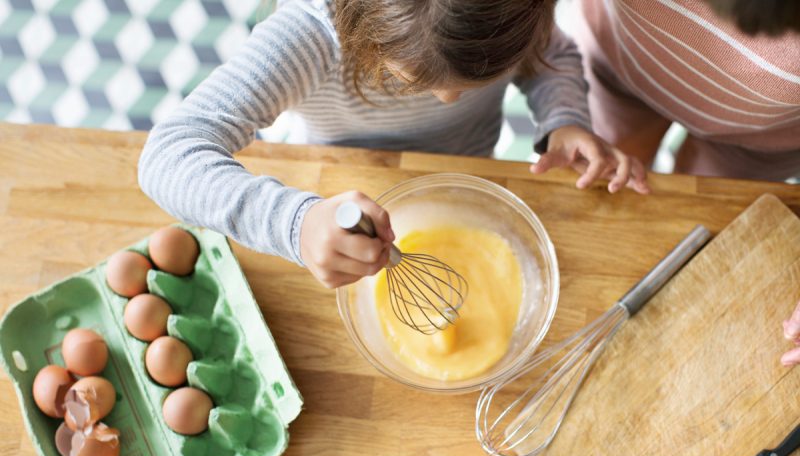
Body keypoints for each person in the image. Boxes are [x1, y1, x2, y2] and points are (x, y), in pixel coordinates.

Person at [138, 0, 648, 289]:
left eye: (476, 82)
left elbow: (550, 55)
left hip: (466, 173)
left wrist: (564, 119)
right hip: (340, 189)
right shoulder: (310, 36)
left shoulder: (508, 15)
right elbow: (169, 154)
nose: (449, 100)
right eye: (410, 80)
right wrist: (296, 223)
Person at [570, 0, 800, 181]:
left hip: (761, 143)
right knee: (598, 179)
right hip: (617, 70)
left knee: (700, 219)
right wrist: (560, 117)